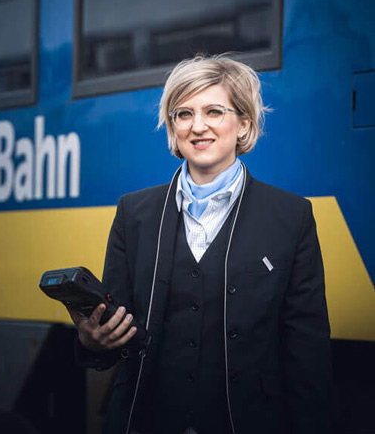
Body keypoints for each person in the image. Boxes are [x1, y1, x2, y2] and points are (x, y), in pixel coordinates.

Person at [68, 55, 332, 434]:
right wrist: (93, 340)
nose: (198, 126)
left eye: (213, 111)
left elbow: (308, 355)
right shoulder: (134, 213)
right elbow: (117, 338)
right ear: (173, 128)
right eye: (184, 114)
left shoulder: (291, 217)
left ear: (243, 122)